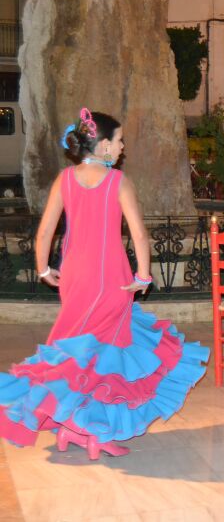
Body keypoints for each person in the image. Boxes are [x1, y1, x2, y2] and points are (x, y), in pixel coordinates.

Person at [0, 109, 209, 458]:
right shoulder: (117, 182)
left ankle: (71, 428)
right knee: (106, 355)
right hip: (110, 276)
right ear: (104, 145)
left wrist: (43, 269)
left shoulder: (65, 179)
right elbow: (139, 235)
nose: (123, 146)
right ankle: (95, 432)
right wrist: (143, 275)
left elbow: (45, 231)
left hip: (74, 275)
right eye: (119, 140)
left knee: (78, 350)